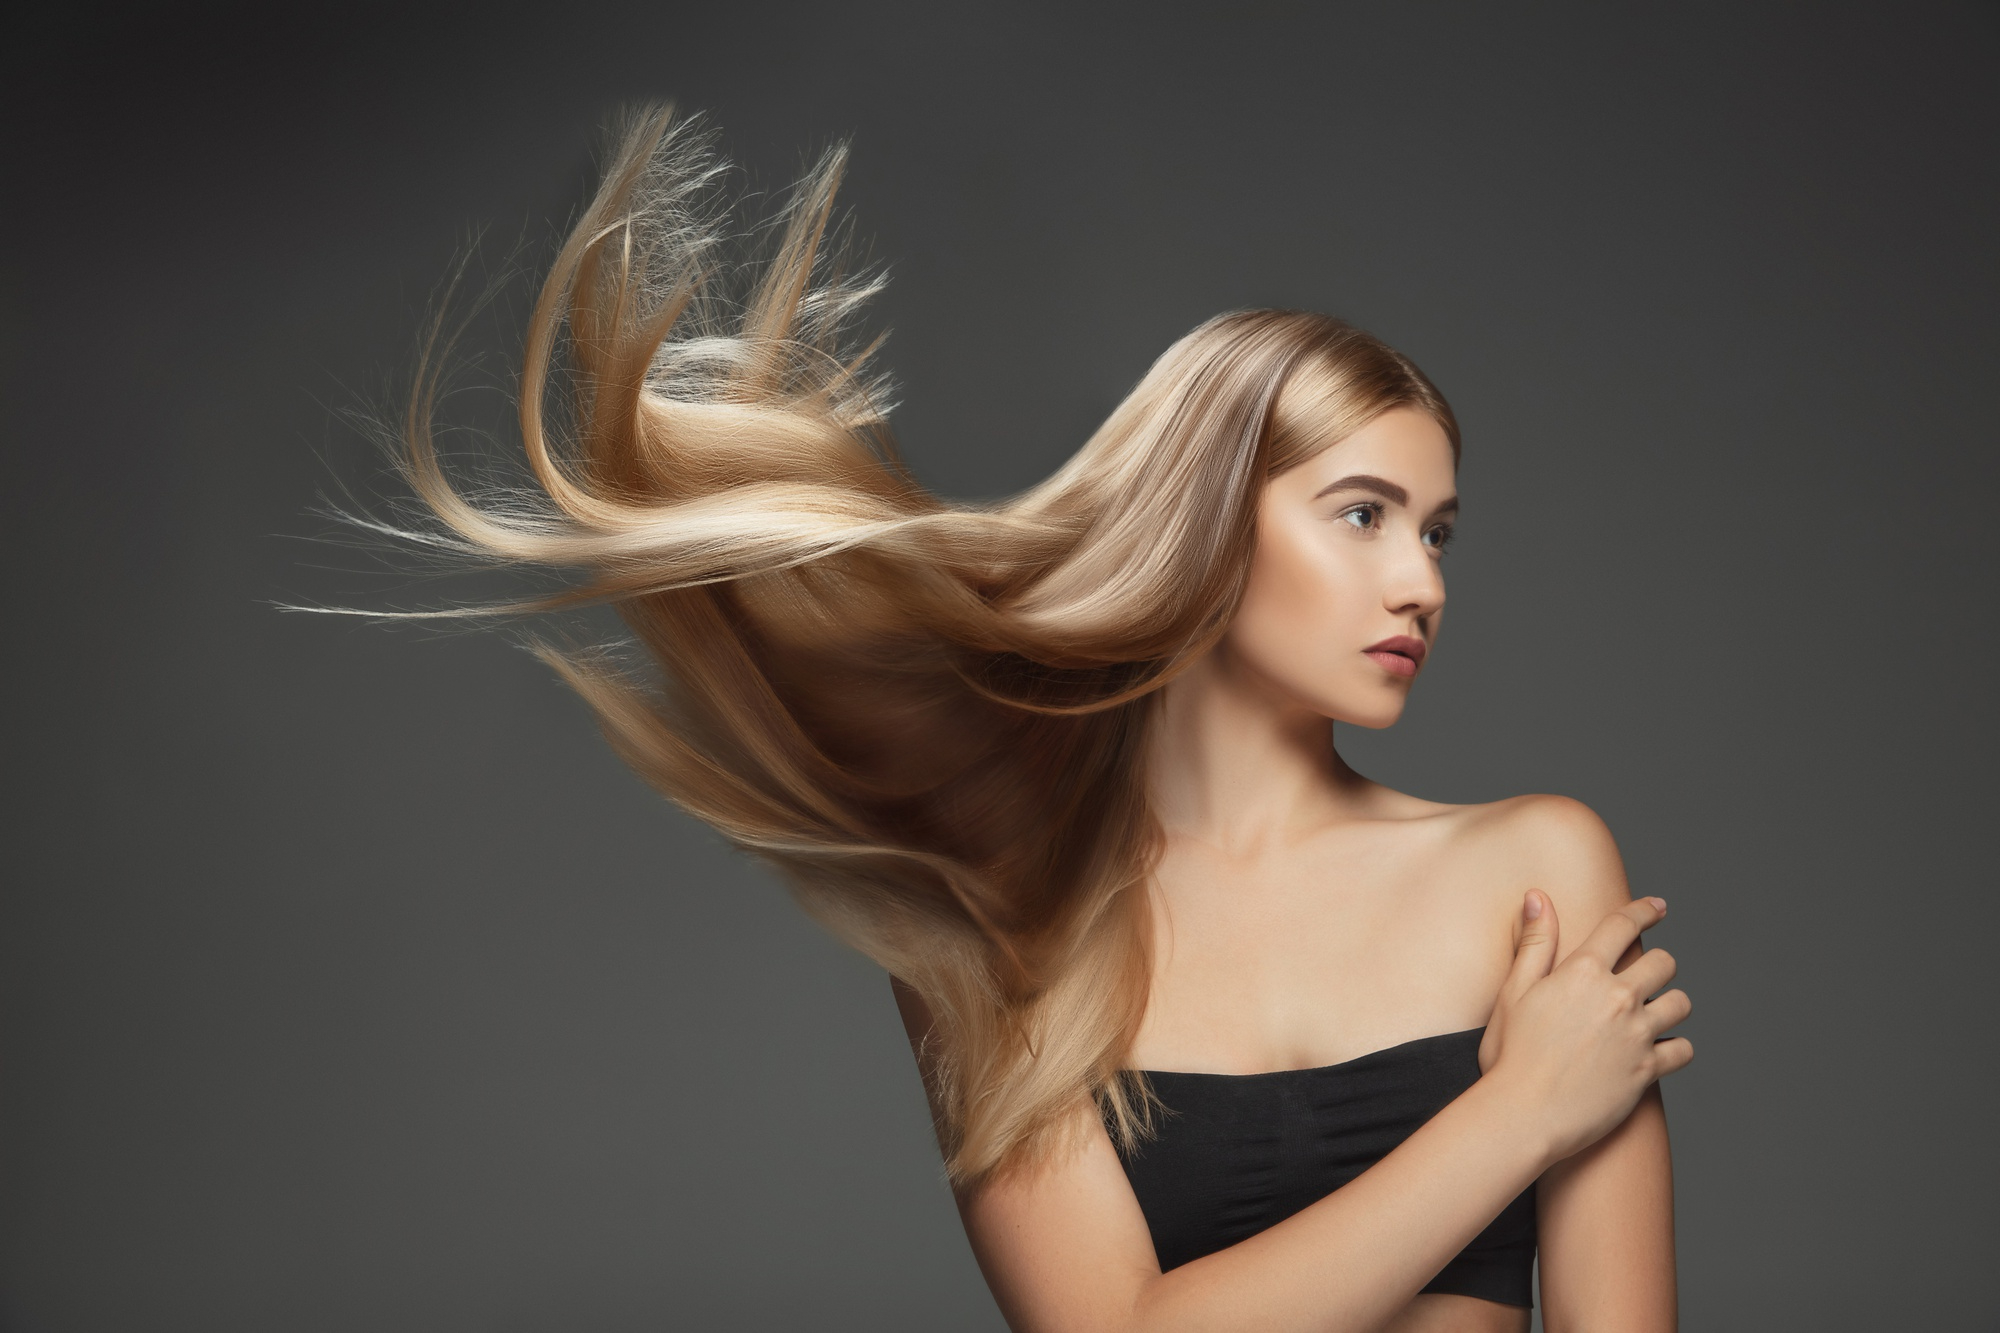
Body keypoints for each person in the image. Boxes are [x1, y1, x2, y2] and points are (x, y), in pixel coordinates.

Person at [354, 106, 1691, 1332]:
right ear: (1208, 525)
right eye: (1363, 514)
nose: (1423, 582)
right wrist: (1514, 1114)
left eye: (1440, 531)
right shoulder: (997, 920)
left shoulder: (1536, 870)